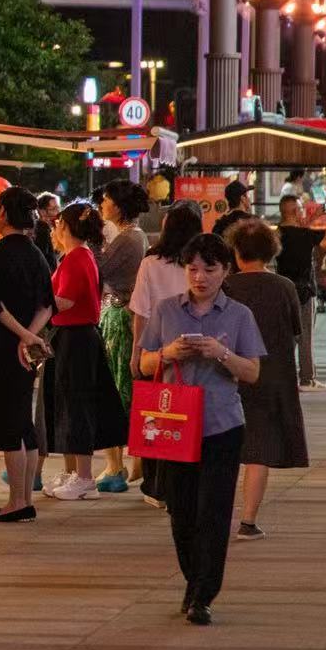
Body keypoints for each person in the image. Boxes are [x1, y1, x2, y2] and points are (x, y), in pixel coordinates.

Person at [139, 232, 265, 625]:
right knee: (181, 512)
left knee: (214, 511)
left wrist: (221, 353)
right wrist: (166, 353)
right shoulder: (165, 310)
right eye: (192, 268)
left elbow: (253, 372)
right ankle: (195, 582)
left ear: (225, 270)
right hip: (175, 424)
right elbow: (143, 364)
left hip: (222, 424)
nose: (200, 277)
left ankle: (203, 595)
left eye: (209, 269)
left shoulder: (239, 315)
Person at [0, 186, 53, 522]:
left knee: (9, 424)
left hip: (3, 347)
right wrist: (31, 336)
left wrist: (21, 335)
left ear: (2, 213)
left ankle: (16, 501)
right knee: (24, 423)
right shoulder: (36, 253)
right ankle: (24, 498)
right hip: (26, 350)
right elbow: (48, 304)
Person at [225, 220, 309, 541]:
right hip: (272, 375)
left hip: (231, 374)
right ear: (271, 251)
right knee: (259, 450)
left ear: (235, 251)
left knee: (226, 448)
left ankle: (217, 514)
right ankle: (248, 521)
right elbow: (295, 331)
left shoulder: (227, 287)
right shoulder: (284, 286)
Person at [41, 202, 127, 501]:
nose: (54, 229)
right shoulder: (75, 256)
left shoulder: (78, 257)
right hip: (72, 336)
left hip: (77, 337)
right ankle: (75, 472)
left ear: (64, 226)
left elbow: (63, 301)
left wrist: (34, 313)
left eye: (57, 224)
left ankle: (85, 476)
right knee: (68, 402)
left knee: (77, 403)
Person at [129, 202, 204, 509]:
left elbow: (141, 311)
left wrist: (137, 351)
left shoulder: (151, 262)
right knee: (190, 416)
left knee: (155, 415)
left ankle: (156, 485)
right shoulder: (202, 263)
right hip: (197, 346)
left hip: (158, 347)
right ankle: (186, 483)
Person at [97, 180, 152, 492]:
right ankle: (131, 460)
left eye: (105, 199)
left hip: (119, 317)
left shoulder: (127, 239)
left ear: (117, 205)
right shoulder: (134, 236)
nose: (102, 205)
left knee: (116, 391)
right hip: (122, 315)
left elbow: (98, 269)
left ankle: (119, 463)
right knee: (123, 390)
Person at [274, 194, 326, 392]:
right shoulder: (305, 235)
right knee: (305, 336)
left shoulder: (277, 234)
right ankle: (307, 378)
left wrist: (310, 220)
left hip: (284, 290)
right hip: (304, 290)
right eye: (300, 209)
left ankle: (285, 376)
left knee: (287, 336)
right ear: (296, 212)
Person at [33, 193, 60, 269]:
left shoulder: (51, 228)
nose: (58, 212)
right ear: (42, 211)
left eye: (58, 208)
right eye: (53, 209)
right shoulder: (41, 230)